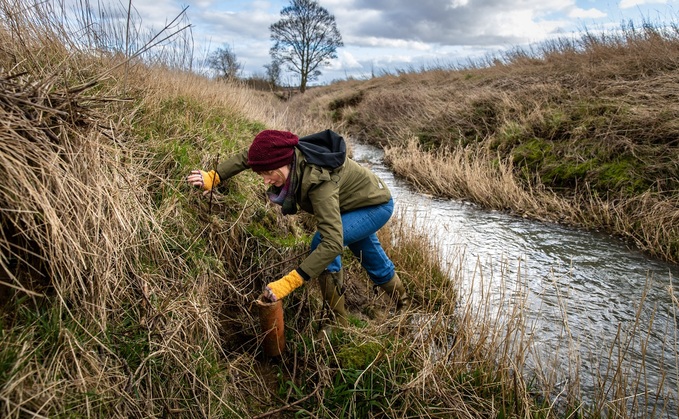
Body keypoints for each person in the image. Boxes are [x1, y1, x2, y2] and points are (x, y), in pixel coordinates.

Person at [187, 129, 410, 330]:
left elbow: (332, 242)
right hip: (350, 205)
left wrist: (289, 281)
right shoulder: (285, 155)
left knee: (323, 242)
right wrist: (213, 176)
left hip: (374, 205)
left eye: (268, 174)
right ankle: (403, 306)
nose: (265, 181)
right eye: (261, 174)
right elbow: (250, 157)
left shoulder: (318, 182)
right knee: (371, 257)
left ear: (284, 163)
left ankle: (340, 323)